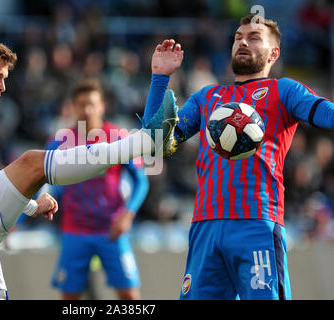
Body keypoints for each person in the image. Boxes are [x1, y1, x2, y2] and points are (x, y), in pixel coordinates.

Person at [0, 38, 179, 299]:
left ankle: (145, 140)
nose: (3, 87)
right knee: (32, 162)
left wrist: (31, 206)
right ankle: (144, 141)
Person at [142, 15, 333, 300]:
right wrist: (159, 79)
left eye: (254, 38)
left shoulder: (284, 90)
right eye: (238, 37)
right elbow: (154, 143)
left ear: (274, 53)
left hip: (256, 224)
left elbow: (327, 114)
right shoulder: (207, 97)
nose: (242, 41)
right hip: (205, 226)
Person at [48, 79, 149, 300]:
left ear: (102, 105)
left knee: (130, 296)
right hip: (75, 229)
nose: (87, 110)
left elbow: (141, 181)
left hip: (111, 229)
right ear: (72, 106)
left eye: (91, 104)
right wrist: (22, 218)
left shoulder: (118, 138)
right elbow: (42, 183)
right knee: (70, 298)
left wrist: (128, 215)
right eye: (81, 104)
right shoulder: (59, 142)